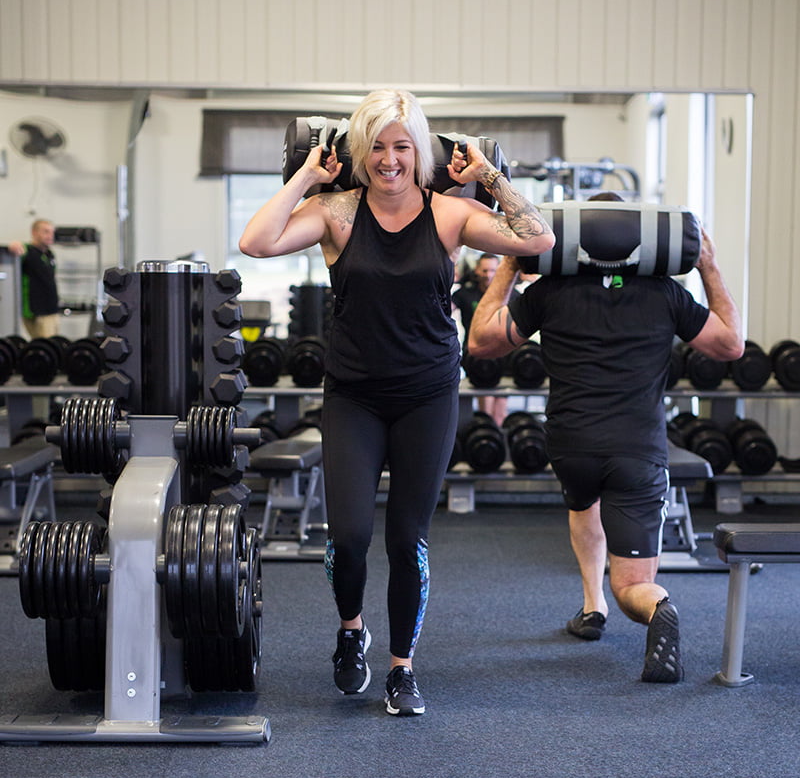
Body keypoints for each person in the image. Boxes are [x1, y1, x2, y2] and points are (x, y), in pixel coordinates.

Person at [239, 88, 554, 715]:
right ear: (360, 151)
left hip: (428, 394)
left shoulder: (449, 215)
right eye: (377, 146)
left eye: (402, 146)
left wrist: (488, 177)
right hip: (353, 395)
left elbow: (538, 239)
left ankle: (402, 667)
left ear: (420, 152)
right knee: (351, 535)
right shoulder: (335, 212)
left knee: (408, 537)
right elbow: (256, 241)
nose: (389, 159)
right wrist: (307, 173)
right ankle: (352, 630)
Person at [467, 198, 744, 683]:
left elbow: (481, 341)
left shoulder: (552, 290)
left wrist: (511, 260)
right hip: (637, 451)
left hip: (571, 447)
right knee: (634, 583)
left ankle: (592, 607)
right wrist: (709, 265)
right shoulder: (664, 293)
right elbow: (730, 345)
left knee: (583, 506)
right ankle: (655, 608)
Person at [453, 253, 509, 425]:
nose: (488, 275)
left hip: (505, 355)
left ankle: (498, 444)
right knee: (486, 410)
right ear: (477, 270)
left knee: (499, 412)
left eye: (493, 270)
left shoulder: (509, 293)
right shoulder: (465, 293)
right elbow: (442, 313)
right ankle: (487, 436)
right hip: (477, 355)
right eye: (484, 270)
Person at [8, 219, 60, 338]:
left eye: (52, 232)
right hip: (37, 312)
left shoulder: (50, 254)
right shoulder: (26, 251)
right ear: (34, 233)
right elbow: (15, 248)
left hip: (52, 310)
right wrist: (13, 245)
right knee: (45, 347)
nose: (50, 236)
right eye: (46, 232)